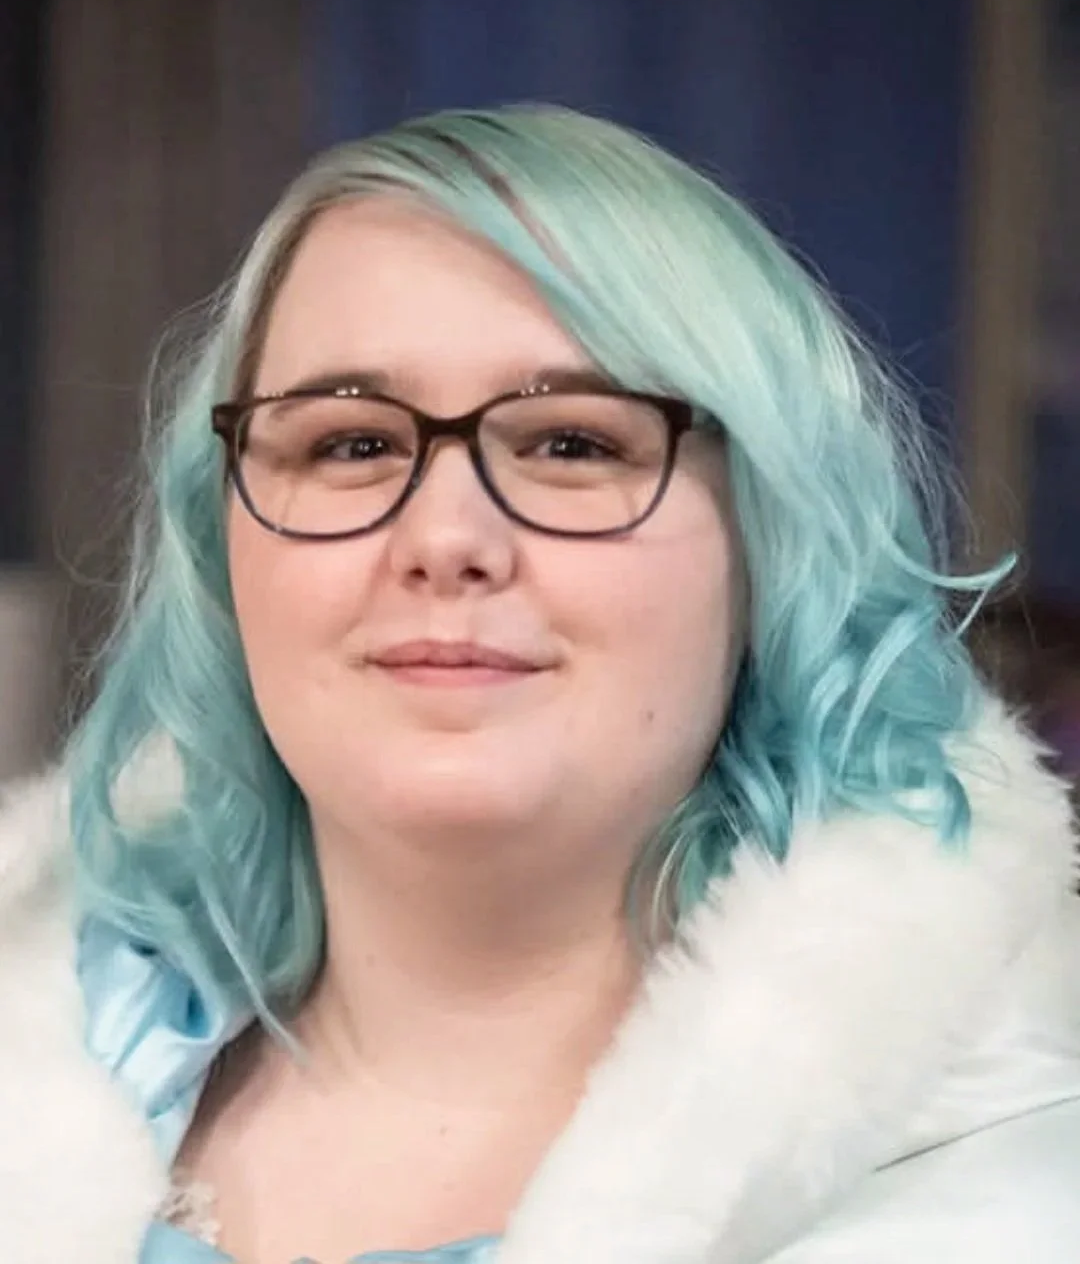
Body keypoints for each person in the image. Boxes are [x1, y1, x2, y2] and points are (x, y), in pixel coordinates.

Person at [1, 105, 1078, 1264]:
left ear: (773, 540)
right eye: (351, 443)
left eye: (573, 442)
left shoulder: (1020, 1183)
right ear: (223, 547)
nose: (445, 537)